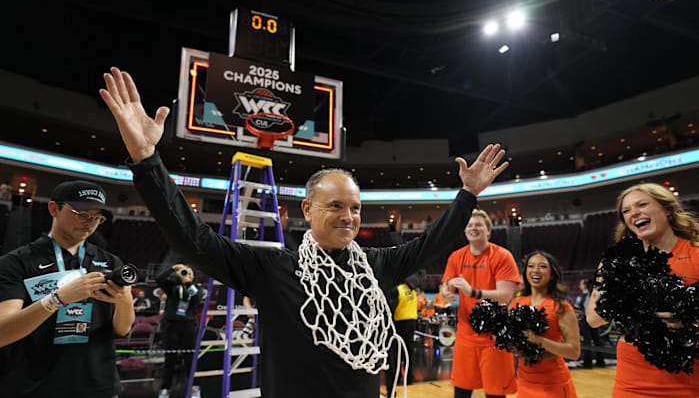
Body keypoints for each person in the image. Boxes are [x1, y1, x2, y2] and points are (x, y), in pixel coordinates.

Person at [99, 66, 509, 398]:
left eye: (355, 208)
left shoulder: (377, 264)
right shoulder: (271, 267)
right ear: (307, 209)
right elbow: (193, 238)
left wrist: (467, 196)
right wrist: (147, 160)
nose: (349, 216)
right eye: (336, 206)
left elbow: (431, 242)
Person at [0, 180, 134, 397]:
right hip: (35, 388)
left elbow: (123, 328)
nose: (90, 223)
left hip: (99, 387)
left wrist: (124, 298)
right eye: (81, 214)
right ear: (54, 209)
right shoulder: (17, 262)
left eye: (97, 217)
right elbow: (2, 333)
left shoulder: (111, 263)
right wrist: (57, 299)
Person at [586, 183, 699, 397]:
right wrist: (624, 295)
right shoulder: (615, 262)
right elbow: (593, 319)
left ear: (667, 208)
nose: (634, 213)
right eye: (626, 211)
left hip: (697, 381)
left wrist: (689, 320)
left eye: (642, 204)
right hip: (633, 381)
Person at [440, 209, 521, 398]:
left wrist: (472, 292)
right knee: (461, 391)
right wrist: (445, 293)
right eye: (469, 225)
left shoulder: (502, 256)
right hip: (465, 335)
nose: (473, 228)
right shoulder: (456, 257)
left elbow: (506, 295)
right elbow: (446, 287)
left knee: (494, 394)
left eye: (478, 225)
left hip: (494, 336)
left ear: (488, 231)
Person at [510, 251, 580, 398]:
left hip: (553, 384)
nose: (535, 270)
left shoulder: (561, 307)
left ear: (552, 274)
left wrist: (540, 341)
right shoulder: (517, 303)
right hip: (524, 381)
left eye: (542, 266)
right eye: (531, 266)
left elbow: (574, 352)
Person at [156, 264, 204, 398]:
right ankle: (165, 389)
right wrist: (173, 268)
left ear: (193, 276)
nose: (186, 274)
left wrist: (187, 282)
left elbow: (196, 298)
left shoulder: (197, 288)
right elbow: (159, 279)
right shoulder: (171, 287)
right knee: (170, 359)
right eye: (184, 272)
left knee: (190, 358)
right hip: (170, 326)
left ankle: (195, 387)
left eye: (189, 273)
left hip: (189, 326)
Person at [385, 282, 418, 398]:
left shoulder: (397, 289)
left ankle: (396, 379)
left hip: (400, 323)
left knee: (395, 354)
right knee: (408, 352)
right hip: (412, 321)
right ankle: (409, 378)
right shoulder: (412, 290)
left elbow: (392, 308)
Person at [574, 278, 605, 368]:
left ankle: (588, 363)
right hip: (593, 319)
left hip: (586, 320)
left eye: (581, 284)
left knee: (588, 341)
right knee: (596, 340)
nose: (579, 286)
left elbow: (580, 308)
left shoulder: (585, 295)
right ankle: (600, 361)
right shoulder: (589, 294)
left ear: (584, 286)